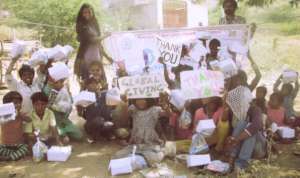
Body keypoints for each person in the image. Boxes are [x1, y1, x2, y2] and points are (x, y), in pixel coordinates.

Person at [225, 86, 266, 170]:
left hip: (258, 148)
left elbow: (256, 126)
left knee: (250, 127)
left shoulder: (255, 109)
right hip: (241, 147)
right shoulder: (236, 112)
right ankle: (232, 159)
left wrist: (236, 139)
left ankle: (241, 164)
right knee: (241, 123)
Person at [74, 3, 112, 83]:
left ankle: (101, 94)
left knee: (101, 81)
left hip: (97, 56)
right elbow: (92, 40)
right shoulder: (81, 25)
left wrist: (107, 57)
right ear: (81, 14)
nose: (87, 14)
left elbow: (98, 44)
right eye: (84, 12)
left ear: (92, 12)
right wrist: (105, 36)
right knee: (87, 81)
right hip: (85, 57)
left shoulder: (94, 24)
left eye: (89, 12)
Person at [43, 73, 83, 143]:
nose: (61, 84)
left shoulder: (64, 90)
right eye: (58, 82)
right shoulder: (49, 91)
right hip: (55, 121)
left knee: (79, 136)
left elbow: (70, 104)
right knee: (65, 139)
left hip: (64, 120)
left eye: (62, 82)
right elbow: (49, 105)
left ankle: (64, 133)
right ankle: (61, 135)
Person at [77, 77, 114, 143]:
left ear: (99, 85)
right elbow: (80, 113)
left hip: (105, 121)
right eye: (91, 84)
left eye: (96, 84)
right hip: (92, 124)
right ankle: (95, 136)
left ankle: (106, 133)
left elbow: (115, 100)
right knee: (98, 121)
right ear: (87, 87)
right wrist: (80, 107)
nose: (94, 86)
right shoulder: (85, 97)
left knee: (109, 124)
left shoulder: (105, 94)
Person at [0, 91, 29, 161]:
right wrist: (11, 115)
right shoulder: (3, 116)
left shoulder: (21, 115)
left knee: (25, 148)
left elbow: (29, 120)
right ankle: (14, 155)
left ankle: (8, 157)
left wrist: (20, 115)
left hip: (18, 145)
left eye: (20, 103)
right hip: (5, 145)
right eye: (15, 103)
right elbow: (2, 121)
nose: (18, 105)